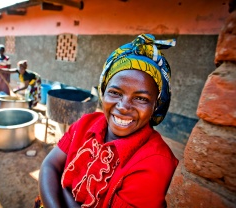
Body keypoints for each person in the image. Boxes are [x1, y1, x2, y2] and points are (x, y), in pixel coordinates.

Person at [38, 34, 178, 208]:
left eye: (141, 98)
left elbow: (55, 173)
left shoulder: (155, 162)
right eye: (115, 93)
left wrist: (63, 188)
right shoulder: (86, 124)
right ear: (103, 93)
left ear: (156, 106)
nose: (124, 106)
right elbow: (50, 165)